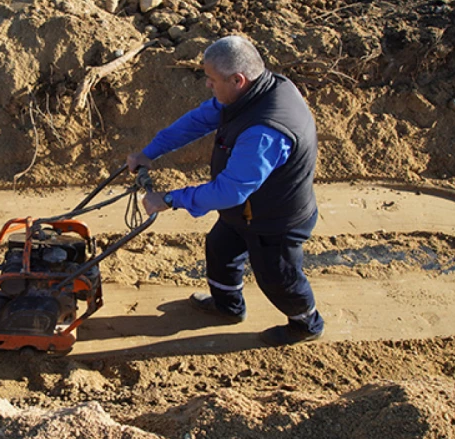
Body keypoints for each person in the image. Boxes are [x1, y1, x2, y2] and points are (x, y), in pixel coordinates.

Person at [127, 35, 324, 346]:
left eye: (211, 79)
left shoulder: (265, 131)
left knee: (279, 278)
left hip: (275, 220)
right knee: (220, 249)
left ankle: (306, 324)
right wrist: (150, 152)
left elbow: (229, 191)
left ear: (238, 79)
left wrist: (168, 199)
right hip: (245, 211)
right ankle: (228, 306)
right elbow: (199, 119)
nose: (208, 86)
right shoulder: (251, 93)